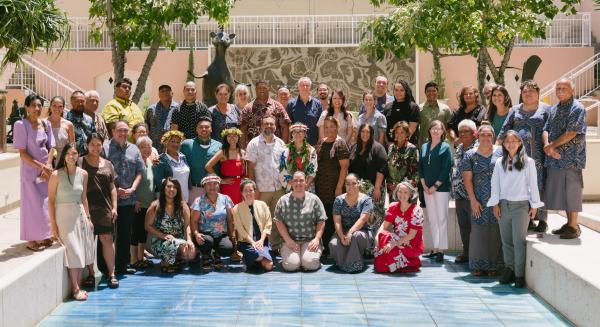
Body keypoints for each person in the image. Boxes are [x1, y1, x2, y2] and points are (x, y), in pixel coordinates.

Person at [488, 131, 543, 288]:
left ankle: (519, 274)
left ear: (520, 143)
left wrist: (534, 205)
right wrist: (495, 204)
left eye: (514, 141)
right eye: (507, 141)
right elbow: (495, 184)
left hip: (521, 206)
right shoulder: (500, 162)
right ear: (504, 144)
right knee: (506, 241)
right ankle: (510, 269)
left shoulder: (528, 162)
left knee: (519, 242)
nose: (510, 144)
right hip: (504, 206)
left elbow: (533, 184)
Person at [499, 80, 550, 232]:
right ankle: (527, 219)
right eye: (525, 91)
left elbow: (551, 130)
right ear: (521, 94)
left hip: (539, 155)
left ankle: (542, 219)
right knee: (522, 185)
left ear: (538, 93)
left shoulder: (546, 109)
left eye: (531, 91)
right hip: (518, 156)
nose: (528, 94)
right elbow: (505, 130)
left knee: (540, 186)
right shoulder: (514, 110)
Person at [48, 143, 95, 300]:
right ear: (64, 156)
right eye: (68, 153)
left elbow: (84, 198)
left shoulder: (83, 174)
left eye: (74, 153)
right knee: (73, 250)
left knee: (81, 250)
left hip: (79, 213)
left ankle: (77, 286)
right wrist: (53, 225)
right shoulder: (56, 174)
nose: (71, 156)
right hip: (63, 216)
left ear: (78, 155)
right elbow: (51, 201)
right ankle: (75, 289)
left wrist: (88, 218)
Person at [543, 79, 587, 239]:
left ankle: (574, 226)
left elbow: (571, 133)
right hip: (554, 158)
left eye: (564, 88)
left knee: (572, 191)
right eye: (558, 88)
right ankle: (569, 224)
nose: (560, 90)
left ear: (572, 90)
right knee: (562, 192)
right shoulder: (554, 109)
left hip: (571, 158)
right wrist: (547, 145)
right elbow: (545, 129)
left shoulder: (577, 108)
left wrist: (552, 147)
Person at [14, 94, 55, 251]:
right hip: (31, 172)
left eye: (39, 105)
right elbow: (23, 153)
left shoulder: (46, 124)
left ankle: (45, 235)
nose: (36, 108)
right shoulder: (20, 125)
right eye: (33, 105)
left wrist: (49, 165)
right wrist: (41, 167)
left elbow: (52, 147)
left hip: (46, 171)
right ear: (26, 107)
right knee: (31, 206)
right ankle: (31, 240)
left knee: (45, 204)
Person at [103, 120, 145, 275]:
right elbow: (101, 170)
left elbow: (140, 171)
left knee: (125, 234)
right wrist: (114, 187)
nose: (123, 133)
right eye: (120, 130)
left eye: (126, 130)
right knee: (109, 236)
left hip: (128, 199)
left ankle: (122, 266)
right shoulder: (104, 148)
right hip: (110, 200)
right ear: (113, 131)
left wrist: (133, 188)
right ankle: (107, 268)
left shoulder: (134, 149)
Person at [461, 124, 503, 276]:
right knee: (478, 230)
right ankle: (478, 265)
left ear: (493, 136)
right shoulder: (470, 155)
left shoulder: (501, 152)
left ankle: (494, 266)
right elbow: (467, 179)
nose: (486, 138)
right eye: (483, 135)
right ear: (478, 136)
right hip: (478, 198)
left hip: (497, 198)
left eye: (489, 135)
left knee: (495, 230)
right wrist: (472, 200)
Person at [79, 133, 118, 289]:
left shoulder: (108, 164)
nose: (95, 147)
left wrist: (115, 207)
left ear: (103, 146)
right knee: (88, 242)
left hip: (105, 207)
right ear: (87, 145)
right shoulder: (80, 162)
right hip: (85, 207)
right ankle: (90, 273)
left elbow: (113, 187)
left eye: (98, 144)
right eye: (92, 144)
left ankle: (111, 273)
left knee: (107, 240)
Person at [246, 115, 287, 252]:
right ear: (261, 126)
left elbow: (284, 166)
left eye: (271, 124)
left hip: (278, 188)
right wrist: (253, 187)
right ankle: (261, 247)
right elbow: (250, 167)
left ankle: (275, 247)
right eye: (266, 124)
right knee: (261, 219)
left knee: (276, 219)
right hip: (261, 189)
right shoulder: (253, 143)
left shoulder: (281, 143)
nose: (269, 126)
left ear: (275, 127)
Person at [274, 171, 327, 272]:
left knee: (310, 264)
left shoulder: (314, 199)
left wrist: (316, 239)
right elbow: (278, 221)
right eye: (295, 181)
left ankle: (306, 260)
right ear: (291, 182)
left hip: (310, 240)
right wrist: (288, 240)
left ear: (306, 182)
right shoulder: (283, 200)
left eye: (301, 180)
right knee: (291, 266)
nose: (298, 183)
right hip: (290, 241)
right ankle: (297, 260)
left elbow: (321, 220)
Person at [315, 116, 350, 256]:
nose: (329, 129)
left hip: (334, 187)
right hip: (321, 187)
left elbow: (344, 167)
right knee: (323, 216)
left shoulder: (340, 143)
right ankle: (324, 247)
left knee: (332, 216)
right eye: (326, 127)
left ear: (337, 127)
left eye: (331, 126)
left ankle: (332, 249)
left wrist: (339, 187)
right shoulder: (321, 142)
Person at [418, 120, 453, 263]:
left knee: (441, 219)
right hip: (426, 188)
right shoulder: (424, 147)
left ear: (442, 131)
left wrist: (435, 186)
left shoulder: (445, 147)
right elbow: (420, 166)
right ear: (429, 131)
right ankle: (434, 247)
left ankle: (441, 250)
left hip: (441, 189)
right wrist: (424, 184)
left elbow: (446, 168)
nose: (435, 131)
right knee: (432, 219)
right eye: (433, 128)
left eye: (438, 129)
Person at [145, 177, 196, 272]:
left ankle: (175, 259)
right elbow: (147, 226)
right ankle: (166, 262)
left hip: (178, 240)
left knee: (190, 254)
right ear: (163, 188)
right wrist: (163, 235)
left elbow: (187, 225)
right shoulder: (155, 205)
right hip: (159, 241)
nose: (172, 189)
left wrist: (189, 240)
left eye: (175, 187)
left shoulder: (183, 205)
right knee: (178, 248)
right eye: (169, 186)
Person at [374, 182, 424, 273]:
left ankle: (410, 261)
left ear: (410, 194)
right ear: (396, 193)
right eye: (400, 191)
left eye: (405, 192)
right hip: (396, 242)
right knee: (381, 266)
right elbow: (384, 227)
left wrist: (394, 243)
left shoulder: (417, 210)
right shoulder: (393, 206)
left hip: (411, 245)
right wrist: (377, 238)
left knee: (383, 264)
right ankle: (405, 263)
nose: (402, 194)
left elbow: (412, 235)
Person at [329, 174, 373, 273]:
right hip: (343, 230)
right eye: (348, 184)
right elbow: (337, 221)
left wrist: (350, 233)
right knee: (333, 244)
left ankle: (355, 264)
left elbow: (362, 220)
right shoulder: (339, 200)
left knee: (356, 236)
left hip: (362, 231)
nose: (351, 186)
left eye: (354, 183)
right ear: (345, 185)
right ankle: (344, 262)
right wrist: (341, 236)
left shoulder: (366, 200)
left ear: (359, 184)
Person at [190, 174, 235, 270]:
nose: (212, 187)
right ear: (204, 187)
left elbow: (230, 220)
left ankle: (217, 254)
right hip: (205, 234)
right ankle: (205, 255)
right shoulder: (199, 201)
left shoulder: (225, 199)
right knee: (207, 241)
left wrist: (232, 236)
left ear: (219, 185)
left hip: (221, 234)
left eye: (215, 184)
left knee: (228, 248)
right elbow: (193, 221)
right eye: (209, 184)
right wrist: (196, 234)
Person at [349, 124, 388, 234]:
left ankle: (373, 246)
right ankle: (362, 244)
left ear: (371, 134)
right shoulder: (354, 147)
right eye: (362, 131)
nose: (365, 134)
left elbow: (382, 169)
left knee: (374, 217)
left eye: (368, 132)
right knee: (360, 217)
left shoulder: (378, 148)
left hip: (374, 190)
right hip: (358, 191)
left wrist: (377, 188)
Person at [451, 119, 478, 264]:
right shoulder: (459, 147)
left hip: (472, 194)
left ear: (474, 133)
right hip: (459, 194)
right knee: (463, 226)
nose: (462, 134)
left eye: (466, 131)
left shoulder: (478, 148)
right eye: (460, 131)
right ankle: (466, 252)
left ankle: (475, 254)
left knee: (474, 226)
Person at [232, 179, 274, 271]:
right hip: (247, 243)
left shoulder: (262, 204)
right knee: (259, 256)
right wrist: (253, 243)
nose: (248, 193)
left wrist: (261, 241)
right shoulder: (236, 209)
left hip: (262, 242)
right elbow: (240, 229)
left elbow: (268, 224)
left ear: (254, 191)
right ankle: (254, 258)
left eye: (251, 190)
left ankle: (253, 260)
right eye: (245, 191)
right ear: (242, 193)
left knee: (269, 265)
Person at [180, 117, 222, 204]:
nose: (204, 129)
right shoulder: (186, 144)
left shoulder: (219, 146)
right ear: (196, 129)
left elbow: (225, 165)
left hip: (213, 189)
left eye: (207, 127)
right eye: (201, 127)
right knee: (195, 217)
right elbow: (175, 158)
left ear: (211, 129)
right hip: (194, 189)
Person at [241, 80, 290, 146]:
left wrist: (283, 146)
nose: (262, 90)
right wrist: (243, 149)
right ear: (255, 90)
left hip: (274, 147)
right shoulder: (248, 108)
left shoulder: (277, 106)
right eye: (259, 88)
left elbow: (285, 127)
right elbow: (242, 129)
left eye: (264, 88)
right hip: (254, 148)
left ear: (268, 89)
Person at [132, 136, 155, 271]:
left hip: (148, 204)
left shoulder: (150, 161)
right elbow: (130, 181)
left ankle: (141, 258)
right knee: (136, 232)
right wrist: (134, 200)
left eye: (148, 146)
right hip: (138, 204)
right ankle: (133, 259)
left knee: (143, 232)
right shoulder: (135, 162)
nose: (146, 149)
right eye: (143, 146)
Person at [205, 128, 246, 204]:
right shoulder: (222, 152)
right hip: (227, 186)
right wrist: (220, 180)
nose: (232, 138)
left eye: (235, 136)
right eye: (229, 136)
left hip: (240, 186)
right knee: (228, 209)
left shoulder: (242, 152)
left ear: (238, 137)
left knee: (240, 209)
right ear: (226, 138)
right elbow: (208, 166)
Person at [279, 123, 318, 192]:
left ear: (304, 134)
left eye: (301, 131)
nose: (298, 134)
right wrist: (293, 185)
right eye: (295, 131)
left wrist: (305, 186)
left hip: (307, 187)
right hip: (290, 187)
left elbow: (313, 170)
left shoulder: (311, 150)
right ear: (292, 134)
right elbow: (282, 169)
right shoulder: (284, 150)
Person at [153, 130, 190, 202]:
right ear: (165, 143)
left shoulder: (183, 157)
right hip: (170, 199)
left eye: (178, 142)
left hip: (186, 197)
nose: (175, 144)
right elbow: (159, 183)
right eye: (172, 141)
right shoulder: (160, 160)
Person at [286, 77, 323, 146]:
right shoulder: (291, 104)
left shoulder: (318, 104)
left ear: (310, 87)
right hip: (296, 143)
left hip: (313, 142)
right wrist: (289, 140)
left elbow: (320, 124)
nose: (305, 87)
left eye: (307, 85)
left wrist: (320, 139)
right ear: (298, 87)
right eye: (302, 85)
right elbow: (288, 124)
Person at [386, 121, 419, 197]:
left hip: (407, 190)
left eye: (402, 132)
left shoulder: (412, 149)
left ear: (407, 134)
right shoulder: (391, 148)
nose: (399, 135)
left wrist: (402, 185)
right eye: (397, 132)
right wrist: (390, 184)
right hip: (393, 189)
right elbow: (388, 168)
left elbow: (415, 173)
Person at [383, 80, 420, 145]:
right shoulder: (387, 107)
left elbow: (411, 130)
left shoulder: (413, 107)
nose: (398, 92)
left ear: (406, 91)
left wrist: (400, 144)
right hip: (390, 146)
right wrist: (387, 143)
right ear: (393, 91)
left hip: (407, 146)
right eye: (396, 90)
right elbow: (384, 129)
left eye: (401, 90)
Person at [145, 84, 178, 153]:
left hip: (172, 148)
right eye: (162, 91)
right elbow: (146, 126)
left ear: (172, 93)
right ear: (159, 94)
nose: (165, 92)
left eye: (167, 90)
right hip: (154, 148)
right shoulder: (151, 109)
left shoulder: (178, 109)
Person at [418, 81, 452, 147]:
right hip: (425, 145)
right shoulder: (419, 109)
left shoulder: (445, 109)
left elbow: (449, 128)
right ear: (425, 93)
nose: (431, 93)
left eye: (434, 91)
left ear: (437, 92)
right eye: (428, 91)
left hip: (441, 145)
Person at [47, 96, 75, 165]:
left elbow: (72, 145)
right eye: (54, 105)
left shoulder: (69, 125)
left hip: (63, 161)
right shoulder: (43, 123)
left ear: (63, 108)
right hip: (46, 161)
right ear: (50, 107)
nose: (57, 108)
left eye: (60, 106)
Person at [67, 90, 96, 155]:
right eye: (77, 101)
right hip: (72, 156)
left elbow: (94, 136)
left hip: (89, 156)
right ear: (71, 102)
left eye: (82, 101)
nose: (80, 104)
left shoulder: (89, 119)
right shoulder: (65, 119)